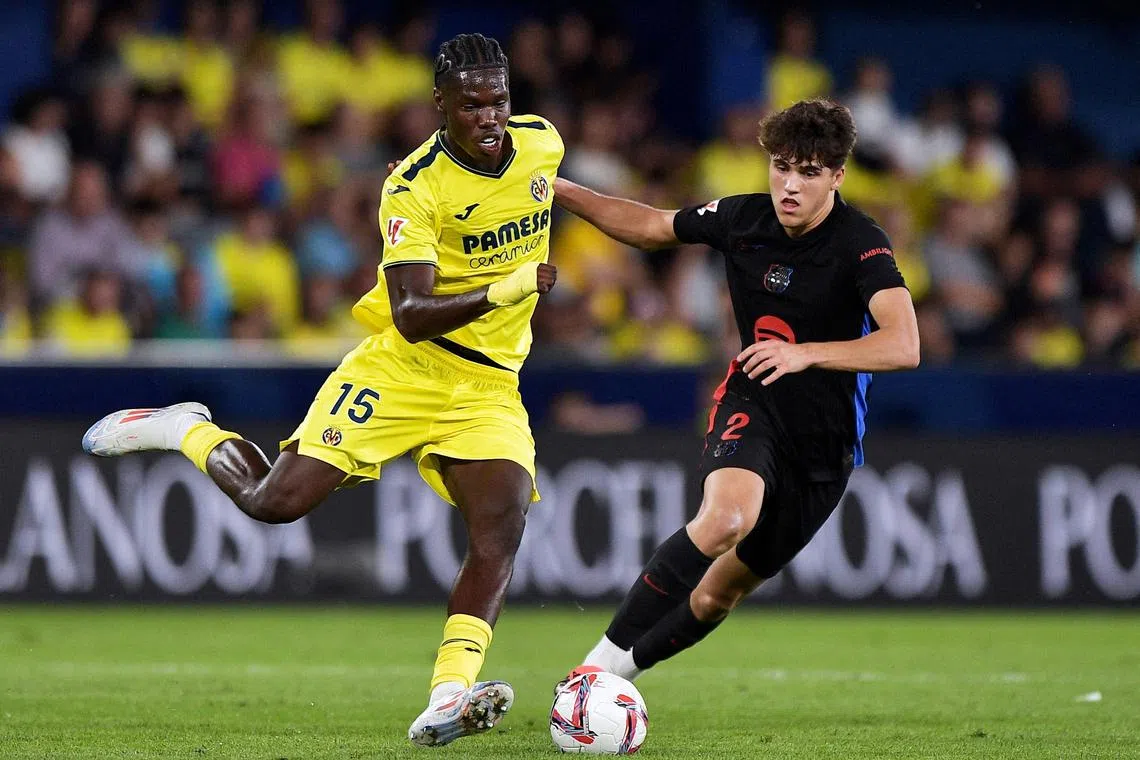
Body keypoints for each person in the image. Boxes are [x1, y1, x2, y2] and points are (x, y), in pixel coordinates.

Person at [81, 32, 563, 748]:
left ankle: (447, 698)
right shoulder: (413, 187)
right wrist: (506, 288)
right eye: (472, 105)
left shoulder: (542, 143)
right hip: (404, 369)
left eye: (499, 101)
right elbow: (411, 313)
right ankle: (185, 428)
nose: (490, 117)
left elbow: (549, 190)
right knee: (274, 503)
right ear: (440, 105)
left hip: (489, 385)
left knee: (501, 526)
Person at [553, 99, 919, 686]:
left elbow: (904, 344)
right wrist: (557, 189)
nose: (790, 185)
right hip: (756, 403)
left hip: (824, 449)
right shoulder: (742, 218)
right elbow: (651, 227)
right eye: (781, 167)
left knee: (714, 597)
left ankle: (616, 677)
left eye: (808, 172)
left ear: (837, 176)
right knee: (724, 520)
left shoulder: (861, 242)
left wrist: (805, 353)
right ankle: (590, 674)